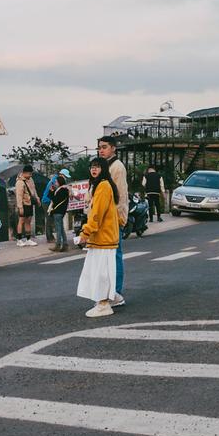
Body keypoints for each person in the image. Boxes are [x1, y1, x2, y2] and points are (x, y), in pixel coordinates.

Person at [75, 157, 119, 318]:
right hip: (102, 237)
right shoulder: (100, 185)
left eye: (98, 167)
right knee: (100, 271)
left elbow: (96, 214)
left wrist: (85, 233)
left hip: (103, 237)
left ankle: (103, 304)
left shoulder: (103, 186)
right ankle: (106, 300)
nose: (94, 169)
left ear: (104, 169)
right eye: (92, 167)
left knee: (101, 272)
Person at [98, 136, 129, 310]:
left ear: (113, 148)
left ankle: (116, 293)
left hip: (113, 218)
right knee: (106, 257)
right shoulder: (103, 167)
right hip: (102, 218)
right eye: (99, 148)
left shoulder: (117, 167)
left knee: (115, 255)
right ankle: (108, 291)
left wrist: (119, 218)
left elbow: (120, 195)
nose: (101, 150)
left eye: (104, 147)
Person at [13, 165, 39, 246]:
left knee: (28, 221)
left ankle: (28, 239)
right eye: (29, 174)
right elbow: (19, 196)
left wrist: (37, 198)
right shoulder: (19, 182)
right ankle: (19, 239)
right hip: (23, 204)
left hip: (30, 203)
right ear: (25, 173)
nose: (30, 175)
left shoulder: (30, 179)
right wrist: (20, 207)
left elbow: (34, 190)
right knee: (21, 221)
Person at [46, 171, 71, 252]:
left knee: (58, 229)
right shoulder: (65, 189)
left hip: (58, 212)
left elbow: (55, 200)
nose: (55, 183)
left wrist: (51, 191)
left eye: (56, 181)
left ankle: (58, 245)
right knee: (61, 228)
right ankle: (65, 244)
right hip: (61, 211)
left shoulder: (61, 190)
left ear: (60, 182)